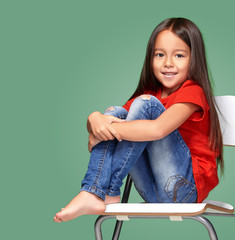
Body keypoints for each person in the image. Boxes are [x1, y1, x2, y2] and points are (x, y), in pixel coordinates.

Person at [53, 17, 223, 223]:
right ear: (150, 59)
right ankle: (100, 192)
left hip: (184, 191)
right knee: (114, 111)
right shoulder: (150, 93)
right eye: (160, 55)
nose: (168, 63)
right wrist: (95, 119)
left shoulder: (193, 92)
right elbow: (112, 120)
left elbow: (158, 130)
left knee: (146, 106)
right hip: (152, 192)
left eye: (179, 55)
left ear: (194, 59)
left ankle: (100, 190)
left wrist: (105, 132)